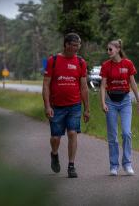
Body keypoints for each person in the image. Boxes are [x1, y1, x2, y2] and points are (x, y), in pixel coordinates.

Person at [42, 32, 90, 178]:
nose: (77, 48)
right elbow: (46, 85)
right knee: (56, 138)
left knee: (72, 133)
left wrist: (87, 109)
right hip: (56, 106)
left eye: (78, 45)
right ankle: (54, 154)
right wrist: (47, 106)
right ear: (66, 45)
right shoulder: (52, 60)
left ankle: (71, 166)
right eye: (74, 45)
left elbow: (84, 87)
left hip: (74, 105)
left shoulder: (81, 62)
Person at [99, 39, 139, 176]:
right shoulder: (106, 65)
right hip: (111, 102)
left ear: (118, 49)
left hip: (125, 101)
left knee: (126, 133)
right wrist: (103, 102)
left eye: (110, 49)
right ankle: (113, 166)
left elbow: (133, 83)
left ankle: (127, 163)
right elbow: (102, 86)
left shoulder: (128, 64)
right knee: (112, 136)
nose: (108, 52)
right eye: (107, 49)